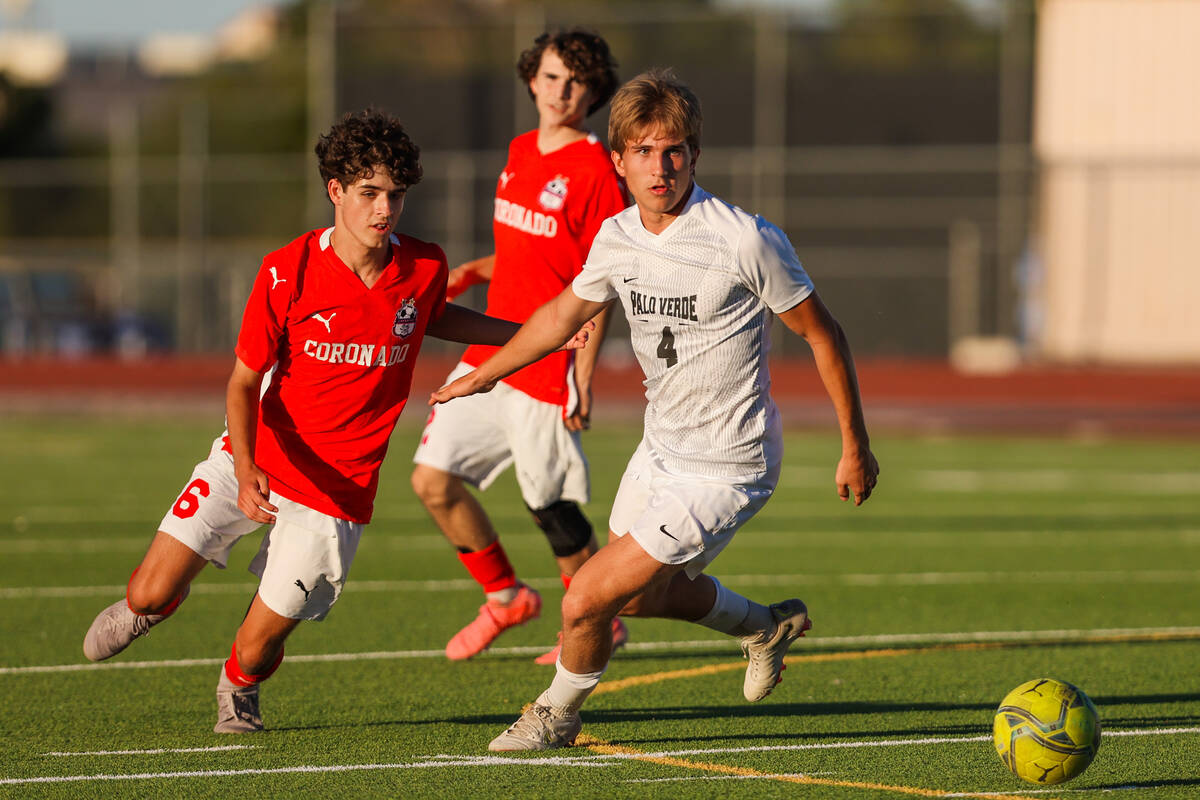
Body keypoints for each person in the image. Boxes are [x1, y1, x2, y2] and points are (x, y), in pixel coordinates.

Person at [80, 109, 591, 734]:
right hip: (259, 460)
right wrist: (243, 468)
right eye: (369, 193)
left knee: (256, 649)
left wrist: (538, 335)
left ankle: (237, 689)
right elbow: (242, 382)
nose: (385, 209)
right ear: (336, 192)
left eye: (395, 195)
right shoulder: (286, 270)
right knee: (147, 594)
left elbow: (438, 317)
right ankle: (153, 605)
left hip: (337, 494)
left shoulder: (423, 265)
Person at [428, 69, 881, 751]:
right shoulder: (616, 236)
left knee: (584, 597)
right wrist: (485, 375)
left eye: (673, 150)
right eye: (642, 151)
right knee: (634, 596)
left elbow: (824, 333)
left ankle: (555, 717)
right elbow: (560, 317)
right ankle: (763, 625)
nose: (659, 166)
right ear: (618, 161)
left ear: (695, 155)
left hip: (728, 463)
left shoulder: (744, 239)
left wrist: (856, 445)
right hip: (661, 450)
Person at [410, 29, 629, 664]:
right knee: (432, 481)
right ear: (533, 79)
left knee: (551, 509)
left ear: (593, 92)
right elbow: (526, 246)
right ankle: (506, 597)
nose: (563, 90)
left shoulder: (595, 171)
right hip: (490, 349)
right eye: (553, 76)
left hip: (547, 358)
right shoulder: (518, 150)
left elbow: (601, 279)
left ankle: (600, 619)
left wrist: (583, 374)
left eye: (577, 81)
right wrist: (478, 272)